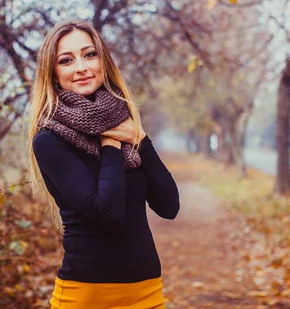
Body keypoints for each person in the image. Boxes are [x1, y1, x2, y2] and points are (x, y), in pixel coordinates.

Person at [27, 20, 180, 309]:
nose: (81, 67)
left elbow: (169, 206)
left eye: (89, 54)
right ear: (54, 73)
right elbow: (106, 213)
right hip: (87, 296)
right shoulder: (49, 140)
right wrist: (110, 142)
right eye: (66, 60)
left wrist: (141, 140)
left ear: (103, 61)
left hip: (146, 293)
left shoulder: (126, 124)